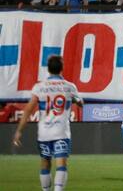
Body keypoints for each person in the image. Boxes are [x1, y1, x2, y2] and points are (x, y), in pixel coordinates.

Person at [12, 55, 83, 191]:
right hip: (61, 132)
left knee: (45, 163)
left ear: (48, 69)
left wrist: (19, 131)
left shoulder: (40, 87)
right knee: (61, 163)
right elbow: (80, 103)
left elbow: (27, 110)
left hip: (44, 133)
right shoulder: (70, 87)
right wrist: (76, 101)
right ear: (62, 68)